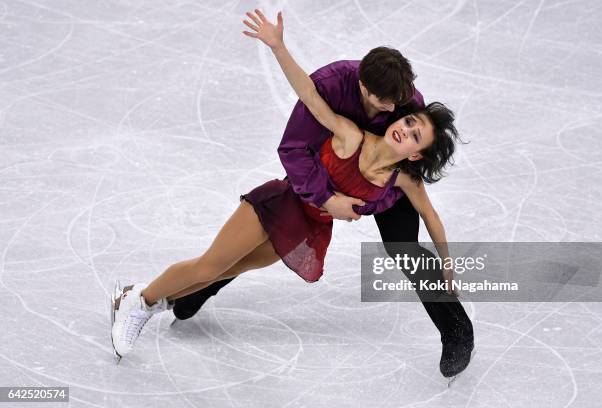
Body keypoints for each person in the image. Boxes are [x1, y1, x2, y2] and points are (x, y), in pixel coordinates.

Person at [111, 10, 473, 380]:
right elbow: (299, 129)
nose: (400, 114)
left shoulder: (406, 109)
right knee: (215, 264)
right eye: (398, 114)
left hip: (323, 218)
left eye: (409, 118)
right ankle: (147, 299)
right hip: (297, 197)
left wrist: (446, 262)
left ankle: (458, 333)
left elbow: (429, 209)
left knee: (241, 263)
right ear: (365, 89)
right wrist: (278, 46)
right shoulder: (340, 105)